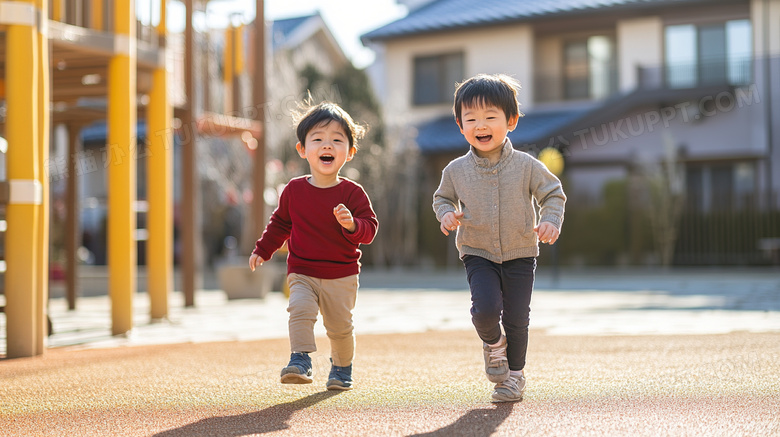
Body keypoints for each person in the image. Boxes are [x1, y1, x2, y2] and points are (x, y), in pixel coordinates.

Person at [432, 73, 566, 402]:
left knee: (518, 317)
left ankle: (514, 377)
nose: (481, 124)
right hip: (477, 251)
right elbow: (442, 198)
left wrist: (550, 220)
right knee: (485, 311)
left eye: (491, 117)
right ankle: (494, 345)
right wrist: (446, 214)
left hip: (521, 252)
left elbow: (553, 194)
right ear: (461, 126)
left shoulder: (526, 165)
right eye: (471, 118)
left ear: (512, 121)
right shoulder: (455, 170)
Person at [249, 100, 378, 391]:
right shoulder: (294, 190)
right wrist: (262, 249)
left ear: (350, 152)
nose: (327, 145)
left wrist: (351, 225)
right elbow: (280, 223)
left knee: (340, 328)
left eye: (336, 140)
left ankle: (342, 368)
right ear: (302, 149)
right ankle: (300, 359)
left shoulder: (353, 193)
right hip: (303, 269)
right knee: (299, 309)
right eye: (318, 139)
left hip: (342, 274)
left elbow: (369, 230)